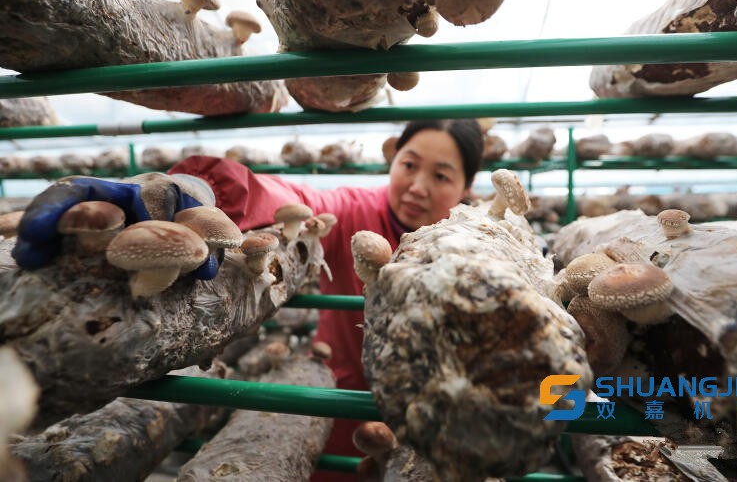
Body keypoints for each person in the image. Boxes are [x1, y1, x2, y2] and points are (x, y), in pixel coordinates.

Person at [12, 118, 484, 482]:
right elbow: (286, 195)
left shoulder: (485, 248)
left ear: (466, 188)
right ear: (393, 160)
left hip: (439, 426)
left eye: (441, 175)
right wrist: (196, 192)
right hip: (339, 406)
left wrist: (542, 415)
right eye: (409, 164)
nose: (418, 186)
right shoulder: (357, 210)